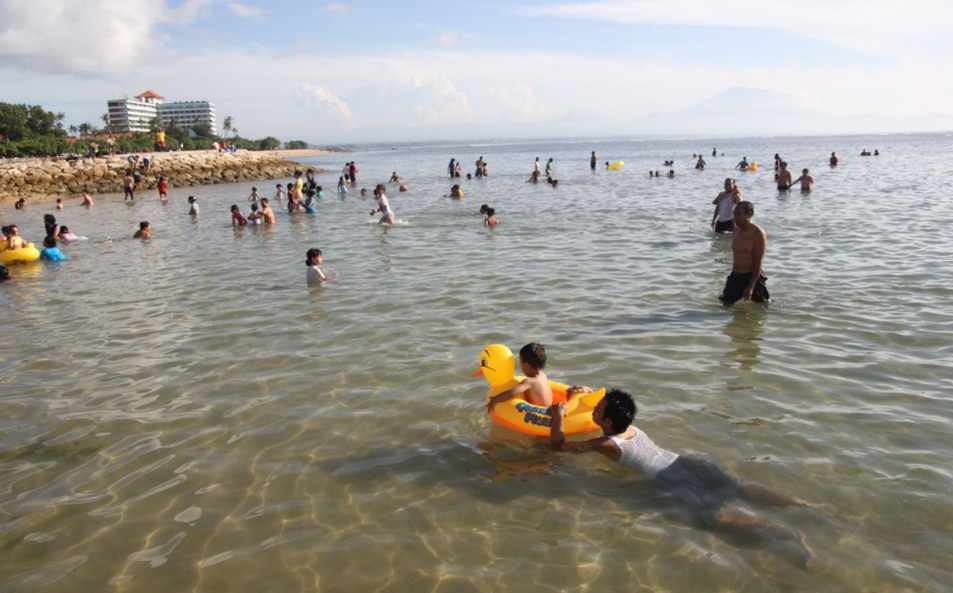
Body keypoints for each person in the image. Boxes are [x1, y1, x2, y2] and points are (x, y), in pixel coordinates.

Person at [549, 387, 815, 565]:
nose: (593, 409)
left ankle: (787, 533)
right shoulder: (629, 426)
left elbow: (559, 446)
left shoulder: (604, 443)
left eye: (597, 408)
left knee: (712, 517)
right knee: (736, 487)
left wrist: (558, 416)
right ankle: (802, 504)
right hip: (687, 463)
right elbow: (610, 406)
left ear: (607, 423)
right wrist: (584, 392)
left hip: (671, 480)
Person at [720, 201, 769, 304]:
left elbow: (758, 262)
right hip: (735, 276)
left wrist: (751, 286)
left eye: (738, 214)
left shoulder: (758, 233)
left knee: (761, 307)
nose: (735, 217)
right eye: (734, 214)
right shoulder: (736, 231)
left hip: (752, 277)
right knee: (725, 304)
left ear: (749, 214)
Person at [485, 343, 553, 413]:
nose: (520, 365)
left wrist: (495, 399)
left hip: (541, 414)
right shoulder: (543, 375)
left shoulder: (529, 382)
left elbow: (512, 393)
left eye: (520, 362)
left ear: (526, 366)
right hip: (549, 409)